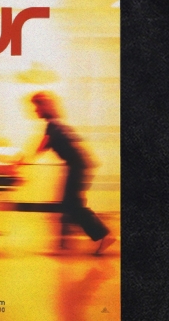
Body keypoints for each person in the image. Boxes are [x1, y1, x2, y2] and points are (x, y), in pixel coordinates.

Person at [28, 91, 117, 255]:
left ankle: (104, 235)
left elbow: (41, 147)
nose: (35, 110)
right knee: (69, 205)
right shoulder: (54, 124)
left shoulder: (54, 125)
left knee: (73, 205)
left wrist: (22, 160)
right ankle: (64, 244)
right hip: (77, 165)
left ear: (45, 106)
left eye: (37, 106)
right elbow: (43, 146)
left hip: (78, 166)